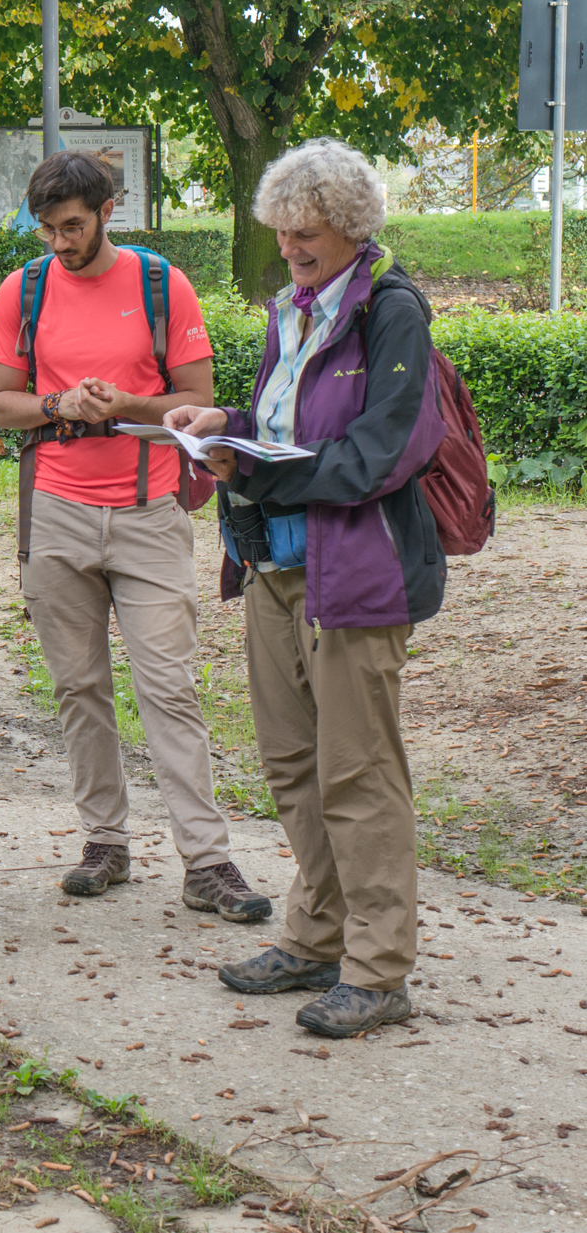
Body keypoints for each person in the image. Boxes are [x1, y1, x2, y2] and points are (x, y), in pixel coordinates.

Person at [165, 138, 447, 1037]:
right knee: (293, 766)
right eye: (282, 232)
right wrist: (226, 425)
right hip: (272, 566)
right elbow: (284, 422)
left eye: (308, 232)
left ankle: (377, 968)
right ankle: (315, 936)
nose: (291, 247)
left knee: (358, 773)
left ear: (351, 226)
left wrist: (262, 473)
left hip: (354, 576)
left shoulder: (389, 311)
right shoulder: (288, 312)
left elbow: (386, 449)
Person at [0, 149, 269, 923]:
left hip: (148, 514)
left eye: (70, 225)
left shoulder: (157, 282)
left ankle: (206, 862)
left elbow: (198, 400)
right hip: (56, 511)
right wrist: (59, 403)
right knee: (79, 688)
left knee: (168, 689)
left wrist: (124, 405)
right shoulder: (25, 289)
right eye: (45, 229)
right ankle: (103, 842)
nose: (58, 243)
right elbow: (0, 404)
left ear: (108, 210)